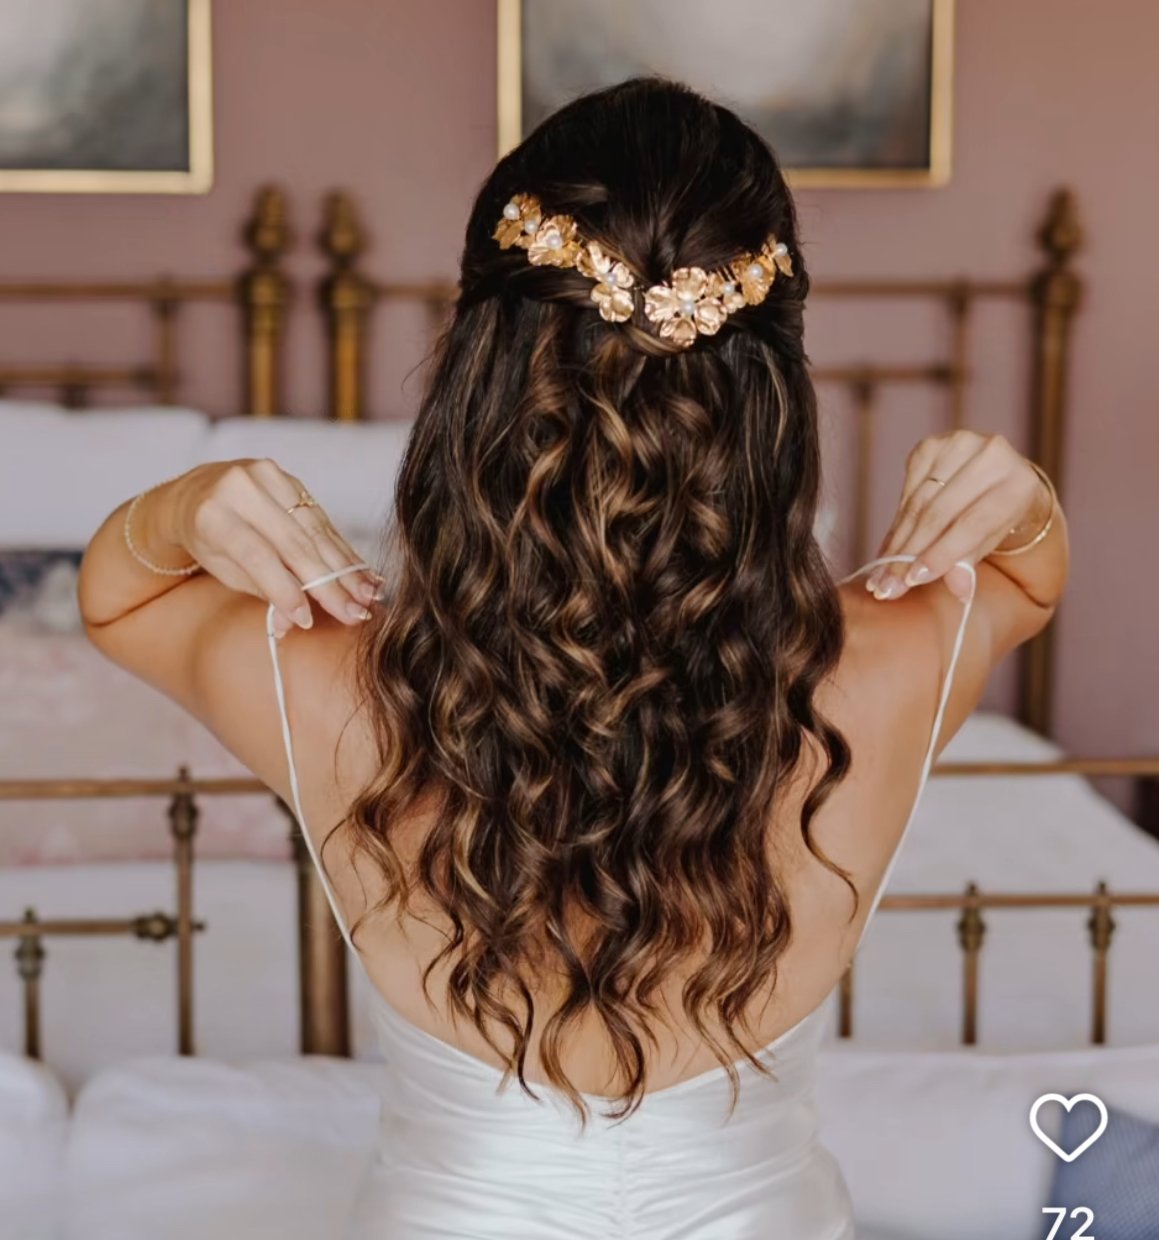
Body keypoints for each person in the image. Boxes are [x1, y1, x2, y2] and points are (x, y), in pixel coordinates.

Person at [78, 78, 1068, 1239]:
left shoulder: (324, 677)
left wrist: (180, 506)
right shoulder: (895, 656)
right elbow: (1025, 580)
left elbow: (118, 603)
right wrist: (1026, 499)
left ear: (475, 381)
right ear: (771, 398)